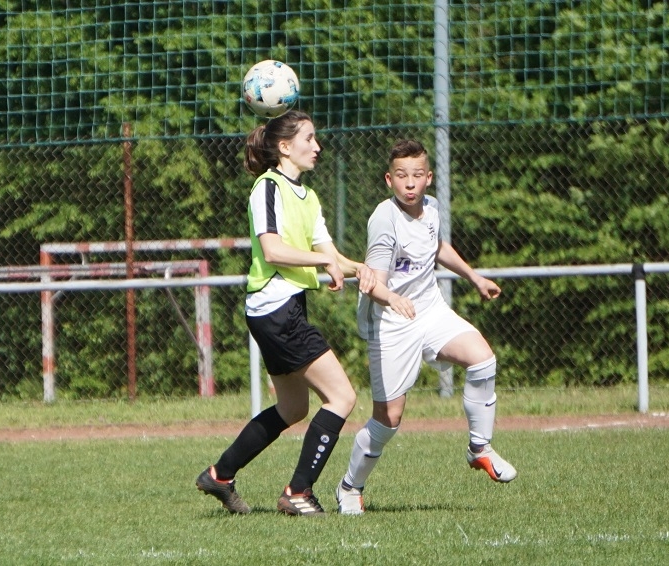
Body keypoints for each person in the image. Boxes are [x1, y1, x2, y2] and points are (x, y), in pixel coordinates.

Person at [195, 110, 376, 516]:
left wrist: (358, 267)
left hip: (286, 307)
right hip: (275, 309)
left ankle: (220, 474)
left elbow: (330, 255)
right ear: (284, 147)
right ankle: (298, 492)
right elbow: (273, 251)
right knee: (342, 397)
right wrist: (323, 262)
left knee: (293, 408)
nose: (317, 146)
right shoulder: (267, 187)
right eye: (309, 138)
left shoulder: (308, 197)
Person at [335, 139, 516, 516]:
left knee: (482, 359)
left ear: (429, 178)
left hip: (429, 310)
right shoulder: (384, 220)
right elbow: (371, 282)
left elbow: (437, 247)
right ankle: (350, 487)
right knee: (389, 419)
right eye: (401, 175)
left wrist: (474, 277)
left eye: (417, 175)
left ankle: (479, 448)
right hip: (390, 322)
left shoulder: (431, 208)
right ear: (389, 180)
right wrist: (394, 300)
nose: (410, 182)